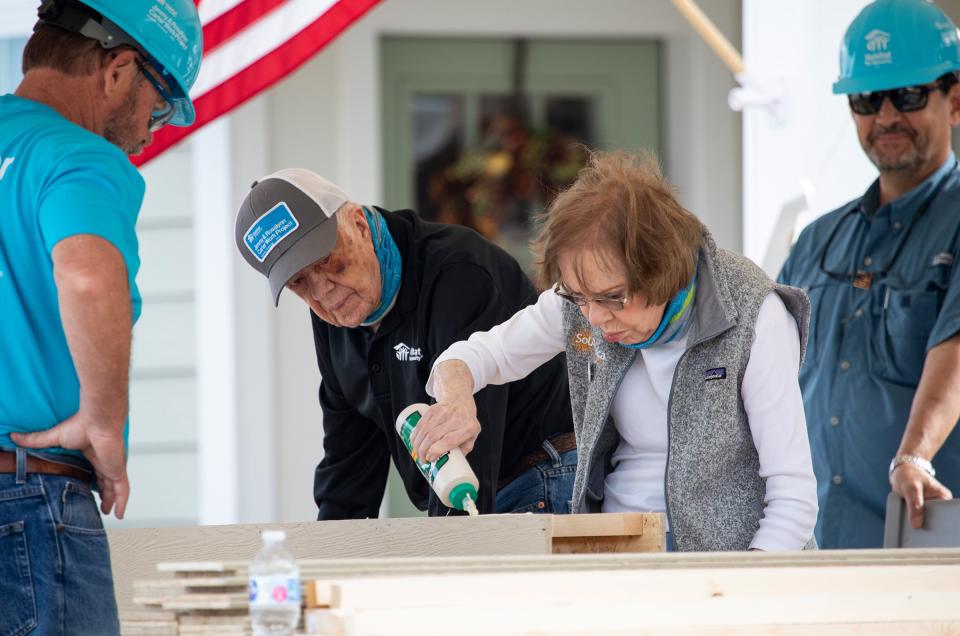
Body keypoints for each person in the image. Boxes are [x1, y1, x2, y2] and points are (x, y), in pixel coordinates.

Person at [416, 150, 819, 552]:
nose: (593, 318)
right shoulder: (584, 299)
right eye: (578, 298)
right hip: (618, 550)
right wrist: (456, 400)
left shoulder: (755, 313)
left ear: (663, 271)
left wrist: (739, 589)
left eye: (612, 298)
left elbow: (793, 499)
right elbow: (475, 355)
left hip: (732, 563)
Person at [0, 0, 202, 635]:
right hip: (29, 505)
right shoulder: (75, 155)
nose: (151, 130)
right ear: (117, 71)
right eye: (160, 104)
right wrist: (103, 422)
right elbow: (88, 277)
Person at [234, 168, 576, 519]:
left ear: (359, 224)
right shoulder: (337, 315)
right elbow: (348, 466)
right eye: (299, 282)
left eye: (326, 261)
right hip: (469, 495)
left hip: (539, 476)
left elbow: (467, 444)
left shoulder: (457, 271)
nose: (323, 291)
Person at [778, 0, 960, 549]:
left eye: (907, 96)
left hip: (927, 540)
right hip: (814, 542)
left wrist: (914, 455)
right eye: (866, 99)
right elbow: (767, 373)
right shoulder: (816, 241)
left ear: (954, 100)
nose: (885, 117)